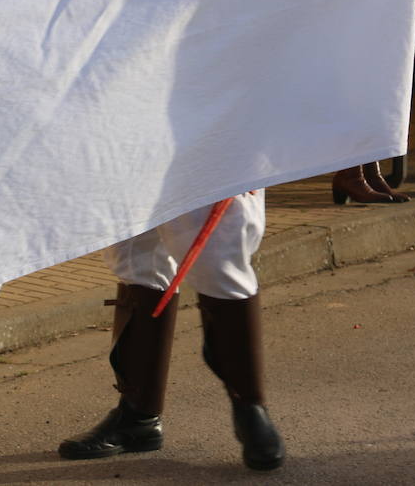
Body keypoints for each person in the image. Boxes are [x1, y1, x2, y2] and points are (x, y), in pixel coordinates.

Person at [58, 193, 286, 471]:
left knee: (220, 255)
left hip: (204, 154)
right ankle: (138, 415)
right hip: (129, 155)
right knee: (135, 256)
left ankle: (250, 406)